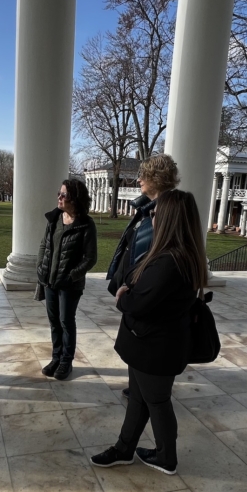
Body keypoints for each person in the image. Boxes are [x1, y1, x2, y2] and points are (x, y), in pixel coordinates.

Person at [90, 189, 207, 475]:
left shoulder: (169, 261)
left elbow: (135, 302)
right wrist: (130, 286)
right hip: (152, 344)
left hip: (155, 347)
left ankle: (166, 457)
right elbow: (137, 284)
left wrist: (122, 294)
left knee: (156, 402)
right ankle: (124, 448)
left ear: (168, 218)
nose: (151, 217)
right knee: (142, 400)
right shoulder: (181, 255)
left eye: (155, 213)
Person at [105, 154, 180, 399]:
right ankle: (136, 383)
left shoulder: (167, 211)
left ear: (155, 178)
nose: (138, 181)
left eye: (143, 176)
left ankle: (144, 387)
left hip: (144, 289)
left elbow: (154, 256)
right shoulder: (148, 208)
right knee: (133, 337)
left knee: (142, 335)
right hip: (134, 286)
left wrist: (133, 287)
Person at [35, 178, 97, 380]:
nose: (59, 197)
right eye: (59, 193)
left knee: (66, 321)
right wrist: (41, 268)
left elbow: (90, 258)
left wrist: (71, 276)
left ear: (75, 199)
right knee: (54, 321)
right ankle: (56, 357)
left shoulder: (85, 225)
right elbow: (44, 245)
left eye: (64, 195)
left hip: (69, 285)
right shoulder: (55, 219)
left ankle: (66, 361)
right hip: (50, 281)